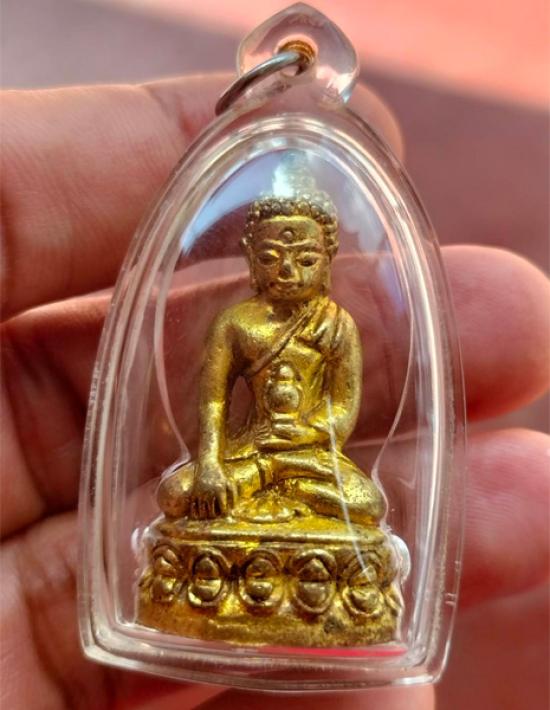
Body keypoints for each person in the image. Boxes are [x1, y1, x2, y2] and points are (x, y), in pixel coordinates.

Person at [1, 76, 549, 709]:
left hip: (306, 455)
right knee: (177, 495)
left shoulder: (337, 325)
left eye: (305, 257)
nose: (288, 269)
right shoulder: (237, 323)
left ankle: (270, 521)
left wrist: (305, 438)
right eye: (272, 257)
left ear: (328, 257)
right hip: (249, 452)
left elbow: (342, 409)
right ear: (250, 259)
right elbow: (211, 401)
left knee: (365, 502)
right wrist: (213, 463)